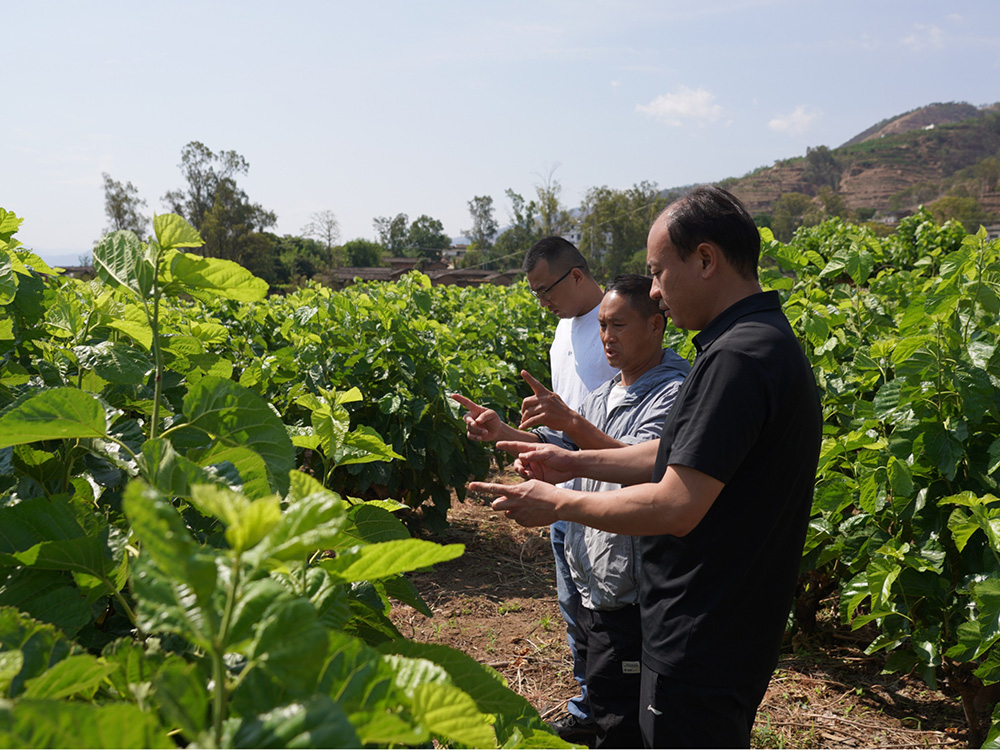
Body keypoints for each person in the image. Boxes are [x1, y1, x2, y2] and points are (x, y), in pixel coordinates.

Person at [470, 186, 823, 748]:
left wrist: (558, 502)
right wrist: (569, 460)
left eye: (659, 273)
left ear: (705, 260)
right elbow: (672, 455)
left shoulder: (735, 358)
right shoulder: (755, 344)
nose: (655, 292)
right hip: (721, 627)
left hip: (702, 631)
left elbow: (676, 503)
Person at [454, 274, 689, 748]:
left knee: (624, 709)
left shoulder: (675, 392)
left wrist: (573, 423)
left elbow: (645, 467)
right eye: (602, 326)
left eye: (619, 325)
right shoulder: (603, 394)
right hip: (594, 570)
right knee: (598, 679)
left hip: (635, 583)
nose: (607, 337)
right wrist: (503, 430)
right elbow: (565, 450)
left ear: (657, 325)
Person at [520, 237, 619, 744]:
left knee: (607, 615)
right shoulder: (563, 331)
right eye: (535, 294)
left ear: (576, 276)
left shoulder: (619, 323)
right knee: (573, 610)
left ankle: (611, 712)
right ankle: (588, 707)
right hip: (566, 496)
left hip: (608, 498)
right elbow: (565, 424)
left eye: (546, 290)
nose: (544, 302)